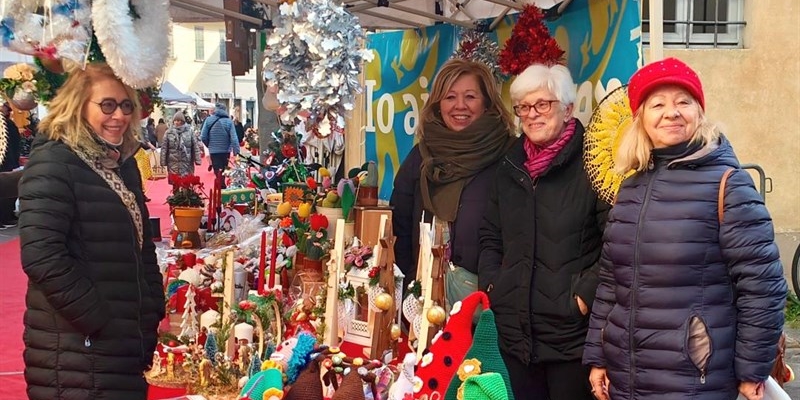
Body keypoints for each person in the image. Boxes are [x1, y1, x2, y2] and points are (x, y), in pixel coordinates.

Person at [582, 58, 786, 400]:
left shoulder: (728, 184)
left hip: (695, 377)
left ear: (699, 112)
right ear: (641, 118)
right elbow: (610, 283)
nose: (671, 112)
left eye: (683, 101)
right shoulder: (631, 187)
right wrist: (598, 356)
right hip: (627, 378)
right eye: (657, 104)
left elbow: (762, 287)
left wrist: (752, 369)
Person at [18, 61, 165, 400]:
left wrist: (152, 306)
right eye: (108, 104)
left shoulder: (120, 164)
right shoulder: (55, 163)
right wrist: (98, 320)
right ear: (77, 105)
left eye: (126, 105)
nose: (120, 115)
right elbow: (42, 255)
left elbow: (141, 246)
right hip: (78, 352)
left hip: (120, 343)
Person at [478, 63, 609, 400]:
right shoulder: (509, 165)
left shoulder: (593, 164)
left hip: (572, 336)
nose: (532, 115)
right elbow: (490, 235)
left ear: (567, 108)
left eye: (543, 104)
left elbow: (617, 241)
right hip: (515, 333)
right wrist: (495, 285)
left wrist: (583, 297)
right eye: (523, 107)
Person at [390, 59, 515, 298]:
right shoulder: (421, 155)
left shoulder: (508, 155)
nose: (460, 106)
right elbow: (401, 226)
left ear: (487, 102)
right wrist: (408, 284)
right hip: (426, 295)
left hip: (486, 301)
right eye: (449, 97)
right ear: (438, 105)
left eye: (470, 96)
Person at [200, 102, 238, 188]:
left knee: (217, 169)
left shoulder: (208, 120)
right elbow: (234, 138)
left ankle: (220, 184)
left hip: (214, 150)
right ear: (225, 110)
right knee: (225, 168)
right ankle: (222, 183)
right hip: (226, 150)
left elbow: (203, 136)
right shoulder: (229, 121)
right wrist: (236, 151)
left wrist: (209, 145)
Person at [161, 112, 203, 179]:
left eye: (178, 120)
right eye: (175, 120)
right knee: (175, 182)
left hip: (186, 161)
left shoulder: (189, 131)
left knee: (186, 182)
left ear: (182, 121)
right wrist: (163, 161)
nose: (176, 122)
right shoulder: (169, 132)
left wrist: (197, 159)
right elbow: (164, 147)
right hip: (173, 162)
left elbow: (195, 146)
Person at [0, 102, 21, 227]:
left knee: (9, 188)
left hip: (8, 160)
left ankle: (7, 215)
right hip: (6, 160)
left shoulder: (8, 124)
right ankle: (4, 217)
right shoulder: (7, 124)